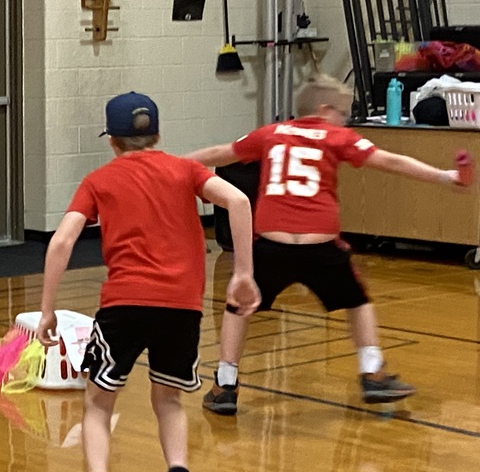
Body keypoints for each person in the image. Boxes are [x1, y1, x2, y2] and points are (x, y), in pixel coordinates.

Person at [37, 92, 260, 472]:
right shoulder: (185, 170)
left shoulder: (99, 179)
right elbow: (238, 201)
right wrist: (242, 273)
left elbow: (61, 242)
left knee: (99, 404)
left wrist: (47, 308)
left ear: (112, 141)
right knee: (169, 402)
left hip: (124, 305)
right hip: (182, 306)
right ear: (156, 133)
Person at [185, 74, 472, 416]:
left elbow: (222, 153)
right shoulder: (336, 136)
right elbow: (390, 161)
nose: (345, 120)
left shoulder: (271, 133)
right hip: (321, 247)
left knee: (238, 304)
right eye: (342, 113)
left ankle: (225, 385)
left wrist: (172, 165)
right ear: (323, 110)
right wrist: (445, 176)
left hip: (271, 245)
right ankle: (372, 373)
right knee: (358, 301)